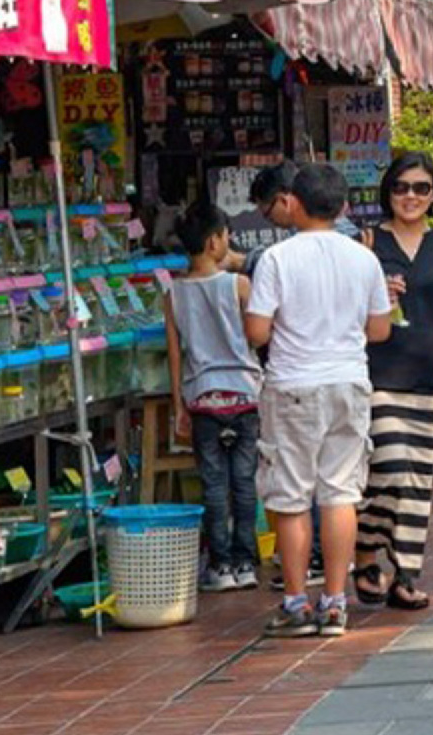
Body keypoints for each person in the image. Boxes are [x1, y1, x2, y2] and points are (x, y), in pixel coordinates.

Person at [243, 164, 392, 638]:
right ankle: (333, 601)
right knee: (340, 493)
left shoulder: (276, 259)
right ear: (343, 206)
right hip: (349, 381)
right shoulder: (364, 259)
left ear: (295, 203)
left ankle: (294, 601)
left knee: (289, 496)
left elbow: (257, 331)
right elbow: (380, 330)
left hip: (293, 384)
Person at [354, 153, 433, 610]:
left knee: (417, 479)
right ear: (388, 192)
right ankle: (366, 549)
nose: (410, 196)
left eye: (421, 188)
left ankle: (405, 573)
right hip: (379, 374)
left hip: (430, 375)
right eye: (401, 187)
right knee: (389, 469)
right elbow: (346, 310)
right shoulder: (367, 243)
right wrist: (375, 297)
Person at [164, 203, 260, 593]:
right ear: (213, 241)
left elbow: (175, 353)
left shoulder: (173, 293)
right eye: (225, 235)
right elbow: (256, 335)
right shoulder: (238, 285)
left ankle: (219, 565)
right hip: (244, 393)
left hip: (202, 397)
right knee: (245, 480)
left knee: (213, 484)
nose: (229, 242)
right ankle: (246, 561)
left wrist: (178, 406)